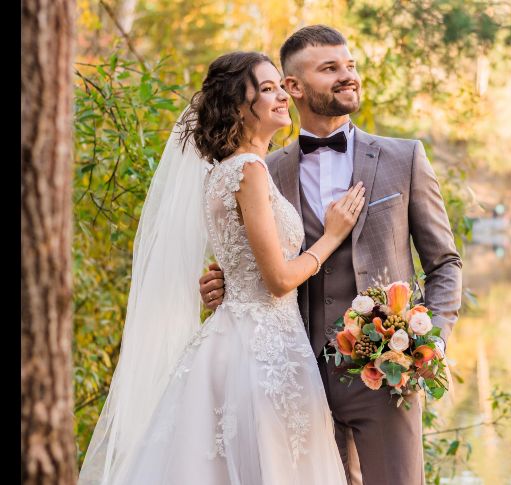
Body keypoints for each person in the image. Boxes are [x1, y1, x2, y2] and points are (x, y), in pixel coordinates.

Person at [78, 51, 364, 484]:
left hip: (235, 339)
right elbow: (277, 280)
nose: (282, 96)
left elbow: (241, 262)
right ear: (236, 106)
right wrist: (332, 235)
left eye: (279, 86)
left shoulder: (223, 172)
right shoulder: (249, 170)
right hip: (264, 350)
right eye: (266, 89)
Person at [200, 25, 463, 485]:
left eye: (350, 66)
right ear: (294, 87)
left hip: (384, 375)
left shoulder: (405, 158)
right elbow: (257, 257)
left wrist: (430, 342)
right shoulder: (264, 167)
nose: (348, 76)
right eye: (330, 69)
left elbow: (444, 263)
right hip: (291, 375)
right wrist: (224, 282)